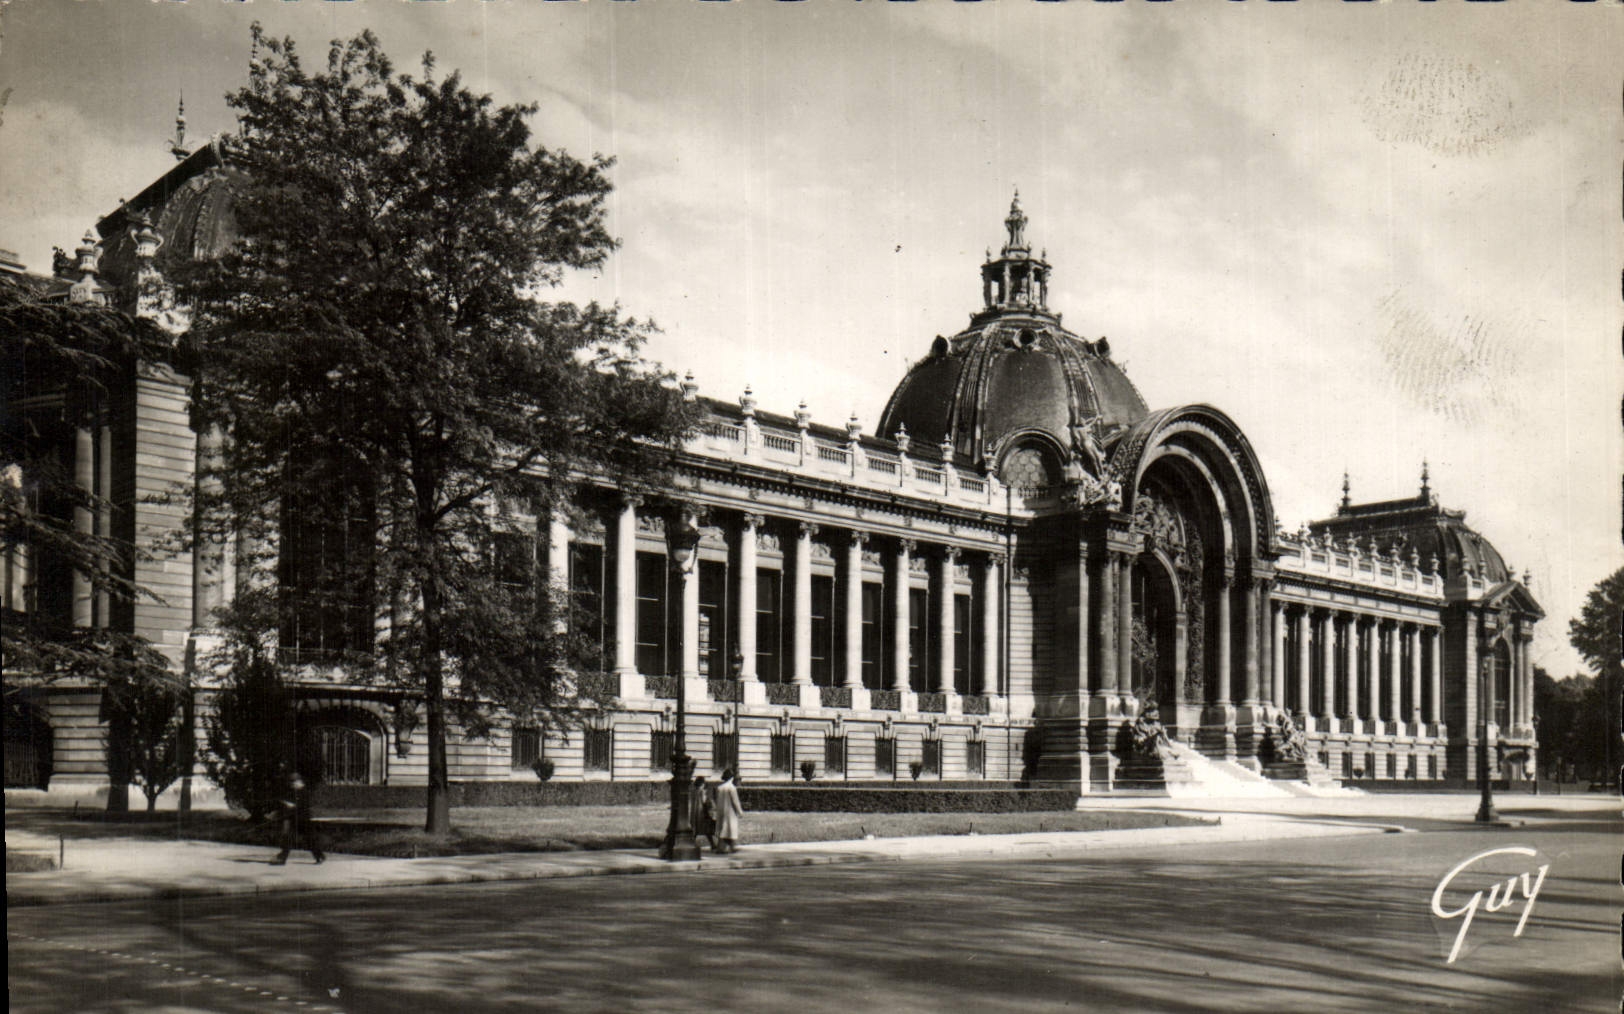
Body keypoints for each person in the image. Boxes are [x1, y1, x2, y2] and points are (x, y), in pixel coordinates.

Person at [271, 772, 325, 865]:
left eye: (293, 783)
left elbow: (302, 805)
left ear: (299, 782)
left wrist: (291, 806)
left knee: (309, 839)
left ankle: (319, 856)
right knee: (288, 838)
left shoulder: (304, 792)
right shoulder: (294, 792)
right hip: (294, 819)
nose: (292, 785)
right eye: (291, 783)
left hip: (304, 820)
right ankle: (282, 858)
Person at [713, 767, 743, 854]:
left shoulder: (719, 788)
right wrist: (739, 811)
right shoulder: (732, 788)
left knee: (723, 828)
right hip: (730, 812)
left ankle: (723, 847)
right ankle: (731, 846)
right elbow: (735, 801)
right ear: (732, 778)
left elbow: (716, 800)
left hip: (721, 811)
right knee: (730, 829)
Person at [690, 775, 717, 850]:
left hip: (694, 812)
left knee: (695, 830)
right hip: (701, 812)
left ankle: (691, 844)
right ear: (702, 784)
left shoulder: (693, 791)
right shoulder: (702, 791)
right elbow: (704, 801)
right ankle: (713, 845)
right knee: (706, 830)